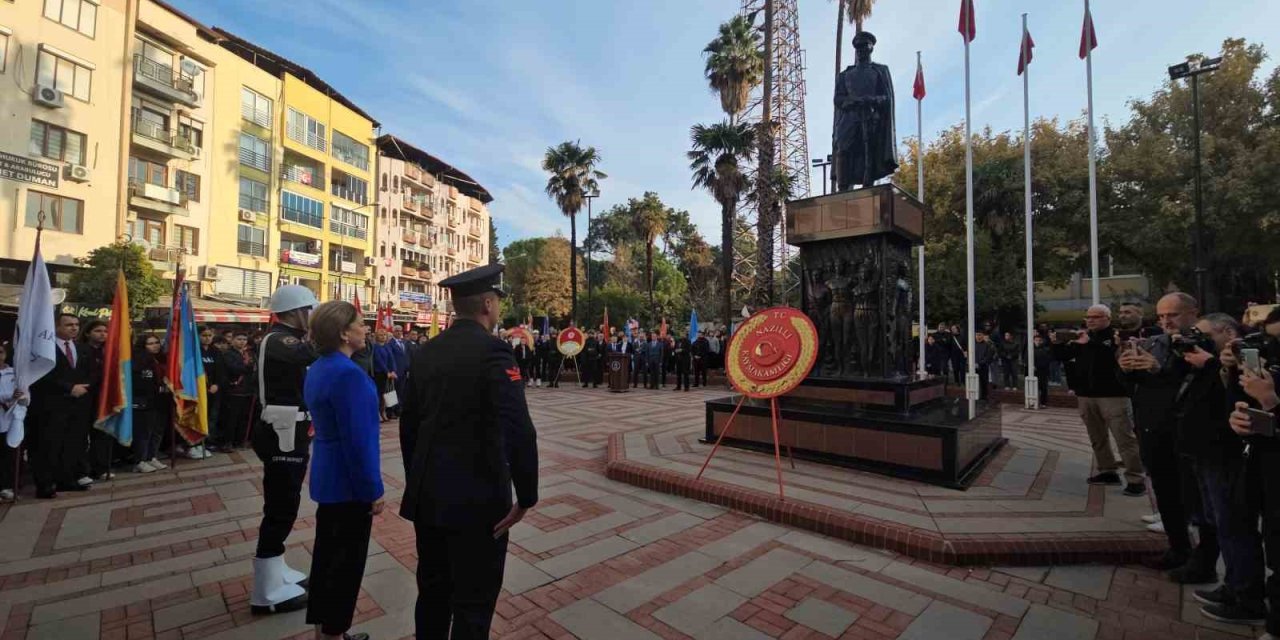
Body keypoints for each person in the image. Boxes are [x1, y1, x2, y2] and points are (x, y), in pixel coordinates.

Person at [398, 264, 538, 639]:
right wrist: (526, 496)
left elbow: (408, 425)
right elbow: (519, 429)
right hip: (478, 501)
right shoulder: (494, 351)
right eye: (498, 305)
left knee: (432, 594)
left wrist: (417, 480)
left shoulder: (426, 352)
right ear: (488, 304)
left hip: (430, 497)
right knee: (473, 605)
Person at [303, 302, 382, 640]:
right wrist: (373, 489)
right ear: (343, 333)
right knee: (345, 565)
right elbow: (359, 442)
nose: (366, 329)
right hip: (349, 484)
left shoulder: (320, 367)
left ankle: (325, 629)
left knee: (326, 558)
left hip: (328, 475)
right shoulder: (349, 375)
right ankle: (335, 633)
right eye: (361, 324)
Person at [250, 285, 319, 615]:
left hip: (289, 427)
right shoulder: (279, 340)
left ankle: (275, 568)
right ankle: (265, 590)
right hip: (281, 431)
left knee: (285, 500)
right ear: (296, 311)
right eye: (310, 311)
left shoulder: (283, 339)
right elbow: (308, 354)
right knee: (281, 504)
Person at [1222, 306, 1280, 633]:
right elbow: (1249, 407)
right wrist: (1242, 418)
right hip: (1264, 468)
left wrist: (1271, 401)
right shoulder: (1268, 372)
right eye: (1269, 344)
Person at [1052, 304, 1145, 496]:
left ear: (1108, 319)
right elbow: (1062, 357)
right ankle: (1107, 470)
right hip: (1086, 394)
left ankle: (1136, 479)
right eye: (1088, 317)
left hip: (1114, 395)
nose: (1091, 320)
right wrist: (1057, 343)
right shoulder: (1082, 337)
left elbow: (1115, 359)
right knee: (1097, 437)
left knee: (1124, 438)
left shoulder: (1116, 337)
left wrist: (1089, 344)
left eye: (1096, 317)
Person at [28, 314, 96, 498]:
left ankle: (66, 480)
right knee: (49, 445)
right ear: (57, 326)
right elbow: (41, 376)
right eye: (69, 325)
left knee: (72, 444)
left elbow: (91, 373)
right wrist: (69, 387)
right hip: (52, 405)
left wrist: (84, 387)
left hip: (78, 405)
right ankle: (45, 485)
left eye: (76, 325)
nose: (74, 328)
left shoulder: (83, 348)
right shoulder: (44, 348)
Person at [82, 320, 115, 480]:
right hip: (85, 398)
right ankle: (82, 469)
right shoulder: (81, 350)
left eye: (105, 331)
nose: (103, 334)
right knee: (82, 437)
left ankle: (101, 468)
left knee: (102, 435)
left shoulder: (108, 352)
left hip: (104, 399)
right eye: (98, 331)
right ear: (88, 333)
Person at [131, 334, 168, 474]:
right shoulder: (138, 360)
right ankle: (139, 460)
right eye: (150, 343)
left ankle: (152, 456)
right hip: (144, 402)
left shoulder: (161, 359)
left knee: (157, 431)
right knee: (143, 432)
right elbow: (140, 383)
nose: (155, 345)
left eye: (156, 342)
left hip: (160, 400)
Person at [221, 332, 256, 449]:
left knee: (244, 418)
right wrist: (249, 367)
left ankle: (240, 441)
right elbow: (234, 369)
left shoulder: (248, 354)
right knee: (231, 418)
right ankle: (228, 442)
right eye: (239, 339)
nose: (242, 341)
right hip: (234, 390)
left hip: (248, 390)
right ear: (233, 340)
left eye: (244, 339)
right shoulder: (228, 354)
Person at [0, 344, 26, 502]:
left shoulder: (14, 373)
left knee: (9, 454)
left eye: (0, 352)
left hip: (10, 419)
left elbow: (25, 396)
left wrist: (19, 396)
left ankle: (8, 485)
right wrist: (6, 397)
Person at [372, 330, 396, 422]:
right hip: (379, 373)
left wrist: (393, 370)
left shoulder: (387, 347)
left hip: (389, 374)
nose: (383, 337)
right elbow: (379, 361)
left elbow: (391, 359)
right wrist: (387, 372)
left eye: (384, 335)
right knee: (379, 394)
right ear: (376, 336)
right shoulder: (375, 347)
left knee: (388, 394)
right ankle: (377, 413)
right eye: (380, 335)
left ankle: (384, 412)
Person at [1031, 334, 1052, 407]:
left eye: (1039, 340)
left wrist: (1038, 366)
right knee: (1033, 387)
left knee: (1043, 387)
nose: (1038, 342)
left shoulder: (1045, 350)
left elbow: (1047, 360)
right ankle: (1033, 401)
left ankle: (1043, 402)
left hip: (1043, 371)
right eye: (1036, 340)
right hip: (1033, 371)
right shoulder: (1031, 349)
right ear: (1033, 341)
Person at [974, 331, 995, 400]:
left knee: (984, 382)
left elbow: (989, 356)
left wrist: (981, 363)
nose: (978, 337)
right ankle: (975, 395)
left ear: (983, 336)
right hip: (974, 366)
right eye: (977, 335)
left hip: (983, 366)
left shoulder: (987, 344)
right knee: (975, 382)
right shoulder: (973, 344)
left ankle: (984, 396)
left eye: (980, 335)